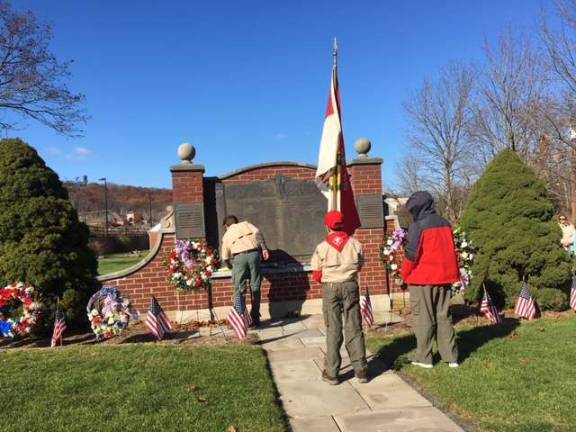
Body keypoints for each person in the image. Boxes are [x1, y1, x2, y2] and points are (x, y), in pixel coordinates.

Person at [400, 191, 460, 368]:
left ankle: (424, 358)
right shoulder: (445, 223)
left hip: (423, 279)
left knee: (423, 318)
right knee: (444, 317)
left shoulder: (418, 226)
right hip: (444, 278)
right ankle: (451, 357)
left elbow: (411, 255)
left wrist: (403, 275)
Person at [311, 210, 368, 385]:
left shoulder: (322, 247)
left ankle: (332, 372)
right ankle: (361, 370)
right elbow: (359, 265)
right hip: (350, 285)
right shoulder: (355, 244)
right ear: (343, 225)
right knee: (354, 326)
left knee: (333, 329)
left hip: (331, 288)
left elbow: (317, 274)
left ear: (327, 226)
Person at [220, 215, 270, 326]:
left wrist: (231, 268)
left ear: (226, 226)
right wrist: (264, 249)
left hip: (239, 258)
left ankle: (242, 319)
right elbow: (258, 234)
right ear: (236, 222)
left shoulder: (227, 234)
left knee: (239, 290)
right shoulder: (246, 224)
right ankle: (255, 317)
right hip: (254, 255)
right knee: (256, 287)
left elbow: (225, 258)